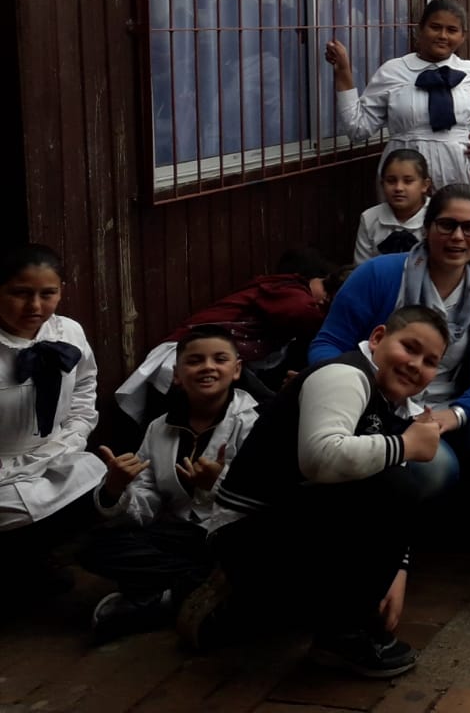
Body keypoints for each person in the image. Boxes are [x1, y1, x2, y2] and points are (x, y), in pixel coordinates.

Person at [200, 306, 448, 676]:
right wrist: (406, 445)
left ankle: (250, 608)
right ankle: (339, 636)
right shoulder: (343, 375)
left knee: (393, 484)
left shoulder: (391, 401)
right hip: (245, 536)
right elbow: (321, 458)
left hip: (287, 528)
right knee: (394, 487)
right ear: (378, 338)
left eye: (430, 361)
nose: (416, 365)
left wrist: (397, 571)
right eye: (409, 348)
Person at [309, 185, 470, 504]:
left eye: (469, 227)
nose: (457, 237)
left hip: (451, 401)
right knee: (437, 470)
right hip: (381, 403)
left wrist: (459, 412)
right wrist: (354, 396)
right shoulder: (379, 274)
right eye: (447, 225)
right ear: (427, 227)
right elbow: (328, 345)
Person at [83, 327, 259, 641]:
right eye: (195, 361)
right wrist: (115, 488)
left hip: (234, 536)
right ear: (176, 375)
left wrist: (217, 484)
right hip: (183, 537)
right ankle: (192, 590)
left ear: (236, 370)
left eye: (219, 359)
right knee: (94, 548)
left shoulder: (255, 422)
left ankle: (158, 598)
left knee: (252, 558)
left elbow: (266, 496)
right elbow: (147, 500)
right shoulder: (159, 427)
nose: (207, 367)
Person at [114, 247, 336, 425]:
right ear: (306, 277)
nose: (326, 299)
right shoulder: (288, 291)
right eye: (326, 288)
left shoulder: (277, 294)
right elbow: (302, 312)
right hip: (184, 358)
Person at [0, 245, 100, 589]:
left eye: (48, 294)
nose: (35, 306)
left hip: (53, 452)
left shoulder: (68, 332)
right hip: (3, 466)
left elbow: (85, 384)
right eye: (20, 293)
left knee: (98, 485)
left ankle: (38, 560)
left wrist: (74, 434)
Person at [327, 0, 470, 187]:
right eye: (435, 27)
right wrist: (344, 71)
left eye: (452, 30)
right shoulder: (393, 71)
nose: (443, 35)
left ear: (463, 36)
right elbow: (357, 129)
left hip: (460, 173)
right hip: (404, 178)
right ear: (420, 29)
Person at [354, 150, 432, 263]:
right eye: (391, 181)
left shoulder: (438, 215)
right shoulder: (369, 218)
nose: (398, 188)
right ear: (382, 184)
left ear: (425, 185)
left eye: (408, 181)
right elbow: (362, 267)